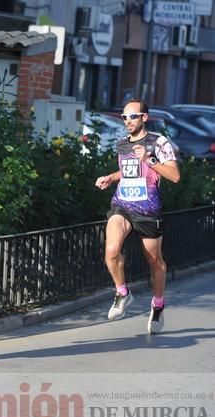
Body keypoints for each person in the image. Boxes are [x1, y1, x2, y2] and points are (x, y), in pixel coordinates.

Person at [95, 98, 180, 334]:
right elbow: (129, 172)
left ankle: (158, 304)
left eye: (132, 116)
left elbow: (174, 176)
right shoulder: (122, 144)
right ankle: (122, 293)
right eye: (124, 117)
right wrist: (111, 178)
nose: (127, 121)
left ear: (144, 117)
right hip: (122, 204)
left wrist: (149, 159)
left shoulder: (158, 142)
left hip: (148, 210)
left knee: (154, 260)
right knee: (111, 251)